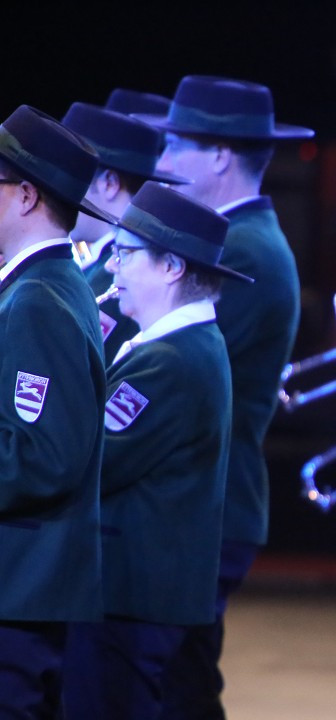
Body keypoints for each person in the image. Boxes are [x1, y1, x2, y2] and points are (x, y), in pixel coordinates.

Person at [142, 74, 313, 718]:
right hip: (198, 503)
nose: (159, 165)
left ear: (218, 155)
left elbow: (166, 369)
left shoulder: (241, 250)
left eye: (173, 147)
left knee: (170, 692)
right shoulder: (234, 240)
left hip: (201, 505)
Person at [63, 182, 251, 719]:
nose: (113, 269)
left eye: (125, 255)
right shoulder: (172, 348)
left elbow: (91, 460)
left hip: (129, 594)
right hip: (139, 594)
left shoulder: (169, 360)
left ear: (171, 267)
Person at [0, 104, 115, 717]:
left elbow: (41, 458)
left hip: (19, 586)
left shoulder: (39, 299)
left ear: (23, 196)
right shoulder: (37, 288)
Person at [61, 102, 189, 364]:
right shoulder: (100, 264)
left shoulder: (117, 274)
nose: (55, 190)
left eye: (68, 176)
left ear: (108, 183)